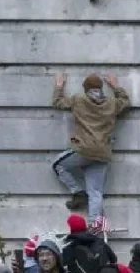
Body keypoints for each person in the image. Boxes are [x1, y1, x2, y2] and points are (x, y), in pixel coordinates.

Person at [51, 73, 131, 224]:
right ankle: (95, 227)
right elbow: (126, 102)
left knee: (58, 165)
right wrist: (115, 86)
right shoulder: (112, 103)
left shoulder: (78, 100)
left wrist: (59, 87)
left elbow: (58, 102)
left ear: (85, 89)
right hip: (103, 154)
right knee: (95, 192)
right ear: (101, 88)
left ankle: (77, 192)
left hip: (84, 150)